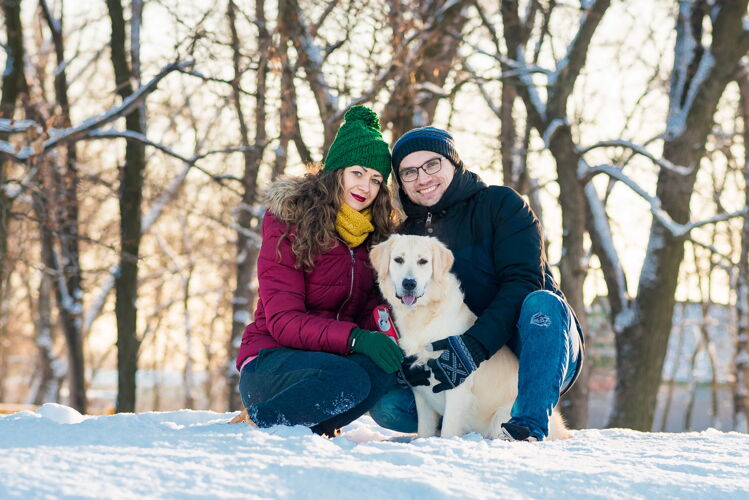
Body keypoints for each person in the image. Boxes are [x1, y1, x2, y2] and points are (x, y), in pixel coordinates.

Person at [369, 126, 584, 442]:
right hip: (464, 360)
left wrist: (472, 348)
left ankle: (527, 426)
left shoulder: (501, 205)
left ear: (453, 164)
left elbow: (522, 283)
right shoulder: (408, 238)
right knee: (391, 407)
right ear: (401, 183)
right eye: (409, 172)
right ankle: (473, 424)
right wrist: (410, 363)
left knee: (542, 302)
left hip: (537, 345)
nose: (423, 177)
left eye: (432, 164)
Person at [234, 106, 404, 437]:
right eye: (357, 173)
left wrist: (385, 328)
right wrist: (356, 338)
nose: (365, 187)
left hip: (330, 361)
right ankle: (260, 420)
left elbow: (368, 308)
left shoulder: (375, 235)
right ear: (337, 171)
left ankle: (310, 432)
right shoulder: (289, 221)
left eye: (375, 179)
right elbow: (283, 321)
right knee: (349, 378)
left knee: (383, 370)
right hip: (272, 364)